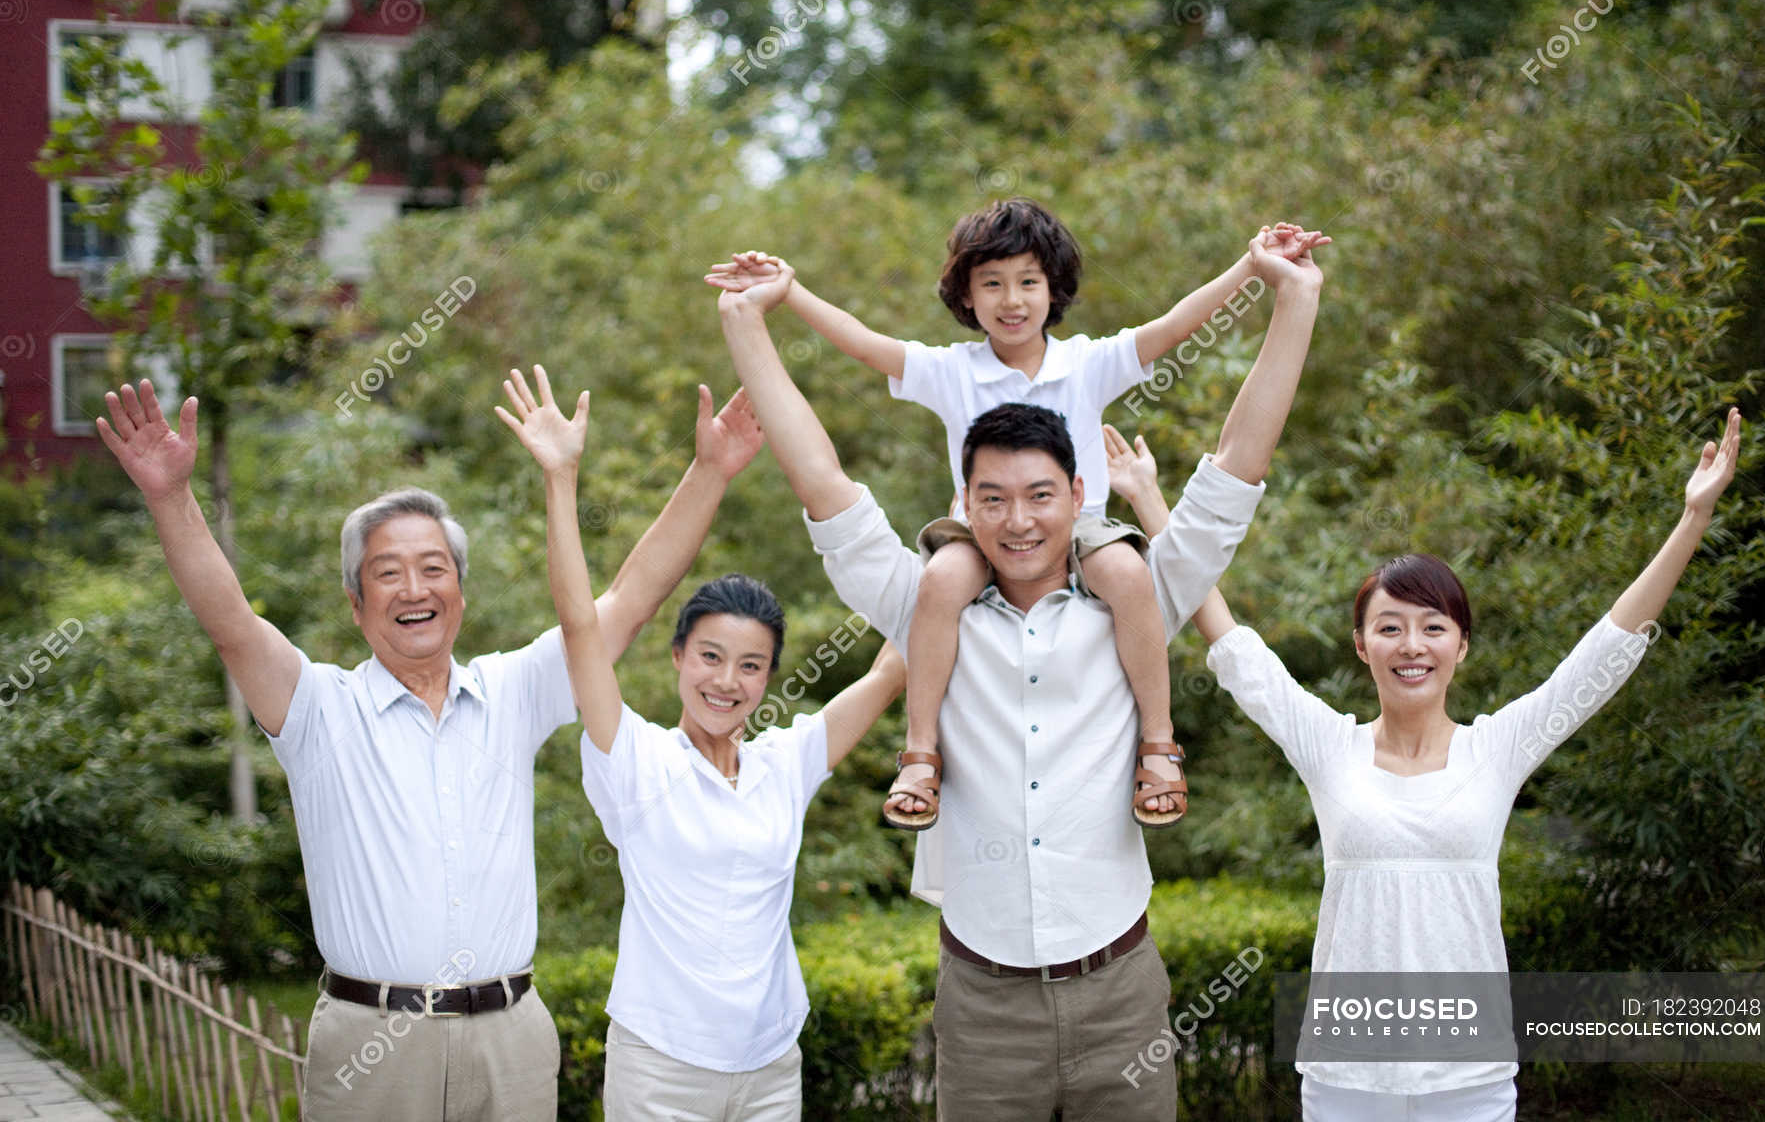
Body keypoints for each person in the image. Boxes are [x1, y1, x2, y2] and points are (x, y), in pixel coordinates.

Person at [711, 228, 1324, 1121]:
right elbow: (823, 482)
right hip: (982, 1005)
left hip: (1122, 993)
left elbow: (1237, 467)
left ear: (1080, 498)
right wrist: (749, 325)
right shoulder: (929, 610)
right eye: (991, 499)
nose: (1018, 520)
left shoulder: (1136, 601)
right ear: (963, 505)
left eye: (1040, 496)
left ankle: (1165, 745)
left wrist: (1292, 299)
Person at [94, 377, 762, 1120]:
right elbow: (231, 622)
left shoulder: (514, 691)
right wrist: (168, 496)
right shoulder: (319, 707)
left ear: (461, 595)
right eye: (387, 573)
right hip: (370, 1049)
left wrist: (711, 469)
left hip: (510, 1044)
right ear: (356, 604)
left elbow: (633, 597)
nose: (414, 588)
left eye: (433, 568)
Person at [1101, 411, 1742, 1122]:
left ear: (1461, 645)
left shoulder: (1496, 751)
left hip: (1469, 1080)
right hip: (1346, 1081)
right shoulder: (1328, 746)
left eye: (1434, 627)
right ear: (1361, 645)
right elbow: (1228, 640)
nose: (1413, 645)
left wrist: (1693, 516)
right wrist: (1148, 500)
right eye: (1390, 627)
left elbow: (1604, 654)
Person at [705, 203, 1328, 831]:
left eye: (1028, 281)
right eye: (992, 283)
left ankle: (1159, 741)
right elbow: (865, 345)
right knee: (941, 581)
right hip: (976, 530)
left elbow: (1174, 326)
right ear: (966, 296)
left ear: (1053, 288)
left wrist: (1251, 269)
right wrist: (790, 294)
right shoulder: (952, 370)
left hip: (1082, 528)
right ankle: (920, 751)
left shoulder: (1087, 362)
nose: (1012, 300)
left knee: (1130, 574)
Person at [494, 365, 906, 1121]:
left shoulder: (785, 763)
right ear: (678, 658)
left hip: (771, 1066)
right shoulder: (635, 757)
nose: (728, 681)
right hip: (661, 1069)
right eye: (711, 657)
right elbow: (584, 624)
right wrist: (562, 480)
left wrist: (969, 552)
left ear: (770, 677)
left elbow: (893, 667)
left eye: (751, 666)